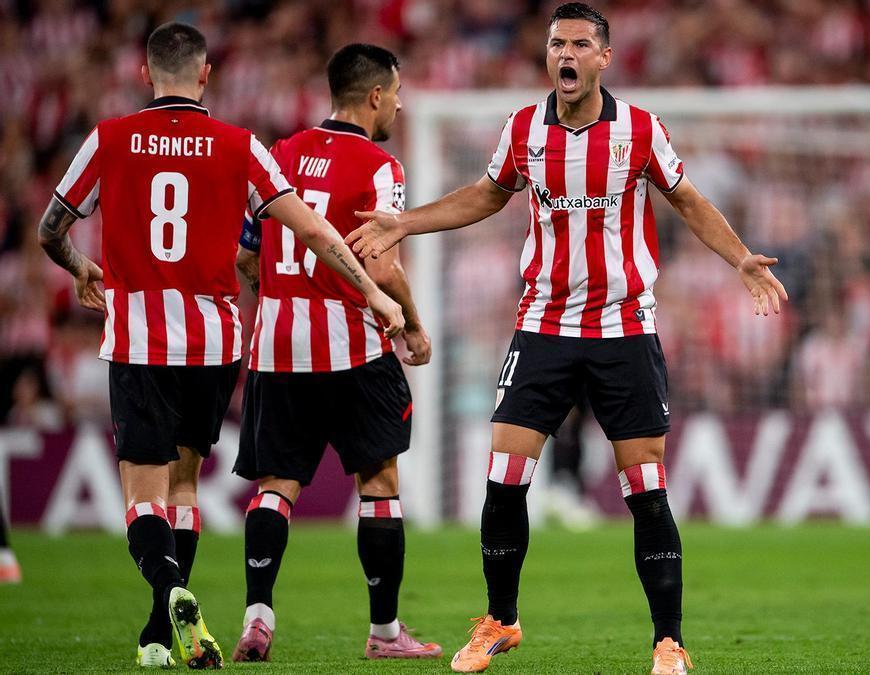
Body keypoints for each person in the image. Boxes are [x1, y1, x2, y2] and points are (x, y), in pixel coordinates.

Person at [348, 4, 788, 673]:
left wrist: (741, 258)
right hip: (544, 328)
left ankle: (668, 640)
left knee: (645, 489)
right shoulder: (524, 128)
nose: (567, 54)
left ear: (604, 57)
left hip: (624, 329)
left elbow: (689, 200)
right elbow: (485, 195)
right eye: (557, 44)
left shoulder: (639, 130)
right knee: (503, 478)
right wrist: (405, 224)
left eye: (581, 44)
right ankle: (501, 619)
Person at [37, 22, 402, 669]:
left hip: (141, 338)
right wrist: (374, 295)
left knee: (146, 495)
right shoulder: (241, 145)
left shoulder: (110, 140)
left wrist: (77, 266)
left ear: (146, 74)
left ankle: (171, 592)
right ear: (205, 75)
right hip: (213, 344)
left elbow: (51, 226)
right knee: (183, 488)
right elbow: (313, 231)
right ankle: (159, 631)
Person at [230, 43, 438, 663]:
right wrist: (414, 326)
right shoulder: (381, 166)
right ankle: (384, 634)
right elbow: (382, 263)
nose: (399, 103)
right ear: (376, 95)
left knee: (277, 486)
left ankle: (258, 616)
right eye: (397, 92)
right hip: (352, 349)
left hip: (274, 348)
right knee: (378, 483)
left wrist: (288, 298)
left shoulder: (277, 154)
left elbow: (247, 258)